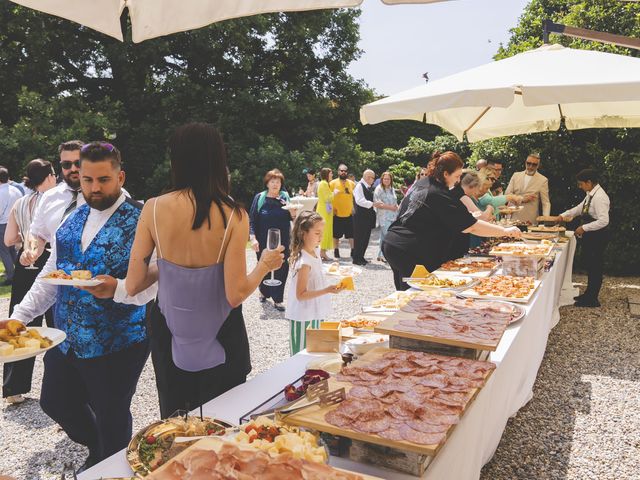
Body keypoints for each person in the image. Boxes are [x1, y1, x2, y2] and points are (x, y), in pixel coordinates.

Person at [0, 142, 154, 471]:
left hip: (118, 341)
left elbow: (155, 283)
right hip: (67, 336)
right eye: (88, 180)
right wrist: (18, 317)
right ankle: (101, 449)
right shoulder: (71, 219)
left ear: (120, 176)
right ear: (78, 178)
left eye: (103, 180)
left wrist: (119, 290)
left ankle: (108, 465)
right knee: (55, 402)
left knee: (112, 415)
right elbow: (50, 275)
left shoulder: (140, 220)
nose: (95, 188)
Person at [125, 123, 284, 419]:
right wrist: (264, 265)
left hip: (168, 331)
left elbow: (133, 284)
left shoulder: (152, 208)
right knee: (222, 421)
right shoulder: (233, 214)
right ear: (218, 161)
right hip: (221, 333)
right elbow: (234, 294)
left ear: (176, 161)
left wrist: (169, 269)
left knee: (174, 422)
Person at [382, 152, 522, 290]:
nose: (458, 181)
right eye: (457, 176)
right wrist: (504, 231)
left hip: (392, 244)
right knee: (421, 294)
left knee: (406, 293)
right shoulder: (440, 194)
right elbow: (471, 227)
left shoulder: (423, 182)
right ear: (445, 174)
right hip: (410, 251)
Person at [2, 159, 57, 405]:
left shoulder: (20, 203)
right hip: (48, 261)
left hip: (25, 265)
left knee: (21, 325)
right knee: (57, 325)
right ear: (49, 176)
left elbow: (8, 239)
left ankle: (13, 388)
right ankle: (59, 386)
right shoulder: (56, 200)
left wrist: (25, 244)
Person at [285, 211, 342, 354]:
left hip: (315, 313)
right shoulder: (303, 262)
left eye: (322, 233)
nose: (321, 237)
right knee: (301, 354)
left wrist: (332, 268)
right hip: (303, 317)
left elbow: (316, 273)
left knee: (314, 352)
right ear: (303, 233)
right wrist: (327, 290)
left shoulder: (314, 252)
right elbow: (301, 294)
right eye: (317, 233)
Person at [555, 169, 610, 308]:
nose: (580, 186)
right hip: (592, 235)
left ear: (589, 182)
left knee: (595, 266)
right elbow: (580, 208)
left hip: (598, 236)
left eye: (581, 184)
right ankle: (589, 294)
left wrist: (584, 228)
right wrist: (563, 215)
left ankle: (593, 299)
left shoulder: (600, 197)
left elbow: (604, 220)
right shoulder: (590, 194)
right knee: (590, 265)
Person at [27, 140, 84, 265]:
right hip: (58, 275)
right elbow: (38, 234)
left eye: (78, 163)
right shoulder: (49, 197)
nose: (73, 169)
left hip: (100, 278)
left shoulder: (110, 195)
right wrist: (31, 251)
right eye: (67, 164)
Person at [249, 169, 295, 311]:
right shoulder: (260, 198)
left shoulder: (285, 198)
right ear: (267, 183)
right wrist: (253, 238)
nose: (275, 184)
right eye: (272, 182)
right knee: (264, 266)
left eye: (278, 182)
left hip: (282, 241)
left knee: (282, 267)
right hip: (263, 241)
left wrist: (293, 214)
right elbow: (252, 220)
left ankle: (278, 299)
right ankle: (264, 291)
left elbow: (292, 219)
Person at [449, 170, 494, 260]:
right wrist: (490, 208)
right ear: (472, 186)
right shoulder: (463, 196)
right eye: (477, 188)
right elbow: (483, 218)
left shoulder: (452, 191)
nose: (476, 192)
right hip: (457, 240)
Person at [505, 153, 550, 225]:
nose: (530, 166)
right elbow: (507, 194)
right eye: (528, 163)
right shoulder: (516, 175)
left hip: (530, 219)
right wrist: (522, 199)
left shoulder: (543, 180)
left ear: (538, 165)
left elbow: (546, 203)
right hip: (513, 217)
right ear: (525, 162)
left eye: (534, 164)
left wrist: (546, 219)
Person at [0, 167, 23, 285]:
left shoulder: (1, 192)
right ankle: (19, 272)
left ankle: (11, 276)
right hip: (15, 222)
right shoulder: (16, 190)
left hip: (2, 223)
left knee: (4, 251)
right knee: (12, 250)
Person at [352, 169, 381, 266]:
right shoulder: (359, 186)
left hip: (366, 217)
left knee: (365, 238)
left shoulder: (367, 186)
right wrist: (373, 204)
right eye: (373, 178)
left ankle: (361, 257)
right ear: (368, 177)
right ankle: (356, 258)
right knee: (359, 237)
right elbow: (359, 200)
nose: (374, 180)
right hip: (360, 217)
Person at [330, 164, 355, 259]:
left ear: (347, 172)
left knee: (351, 234)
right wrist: (332, 209)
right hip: (337, 213)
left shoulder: (351, 183)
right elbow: (329, 197)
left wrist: (353, 208)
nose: (343, 172)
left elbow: (354, 197)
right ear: (338, 172)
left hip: (349, 213)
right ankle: (336, 251)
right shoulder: (332, 183)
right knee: (336, 235)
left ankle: (353, 251)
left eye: (345, 171)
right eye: (341, 170)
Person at [373, 171, 399, 263]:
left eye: (388, 179)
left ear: (391, 180)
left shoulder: (392, 188)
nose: (387, 180)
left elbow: (394, 201)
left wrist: (397, 207)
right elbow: (378, 204)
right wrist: (391, 207)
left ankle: (380, 255)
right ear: (382, 179)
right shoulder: (378, 189)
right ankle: (385, 255)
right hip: (383, 216)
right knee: (388, 236)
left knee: (384, 236)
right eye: (385, 179)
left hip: (392, 216)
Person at [315, 168, 334, 261]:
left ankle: (323, 252)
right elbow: (328, 198)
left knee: (325, 230)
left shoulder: (323, 183)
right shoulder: (324, 184)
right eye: (331, 173)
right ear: (327, 174)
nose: (332, 175)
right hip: (324, 210)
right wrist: (334, 193)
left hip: (325, 209)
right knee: (325, 230)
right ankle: (322, 252)